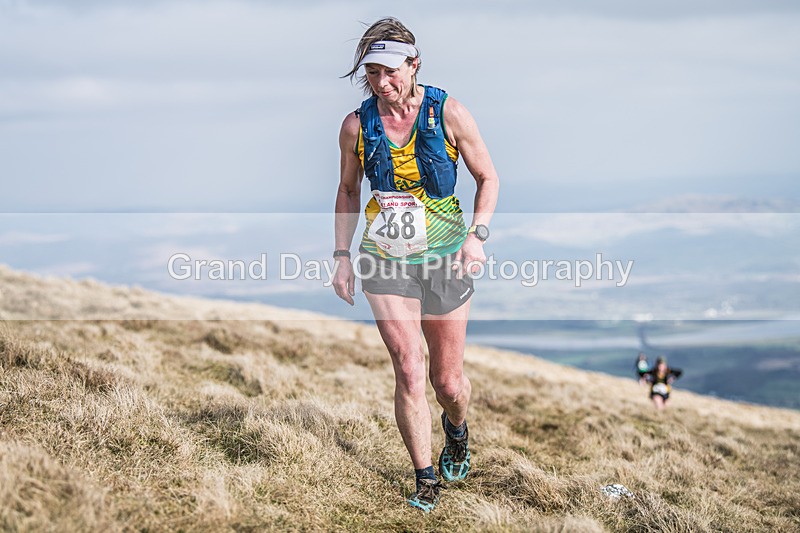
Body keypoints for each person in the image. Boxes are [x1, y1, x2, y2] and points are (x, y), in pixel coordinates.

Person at [332, 17, 499, 512]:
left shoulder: (449, 112)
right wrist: (342, 256)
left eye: (390, 71)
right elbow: (347, 190)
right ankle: (425, 479)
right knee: (408, 367)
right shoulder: (356, 125)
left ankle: (458, 429)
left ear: (413, 64)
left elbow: (488, 178)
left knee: (447, 382)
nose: (383, 83)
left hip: (447, 256)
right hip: (385, 258)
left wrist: (477, 237)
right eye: (372, 75)